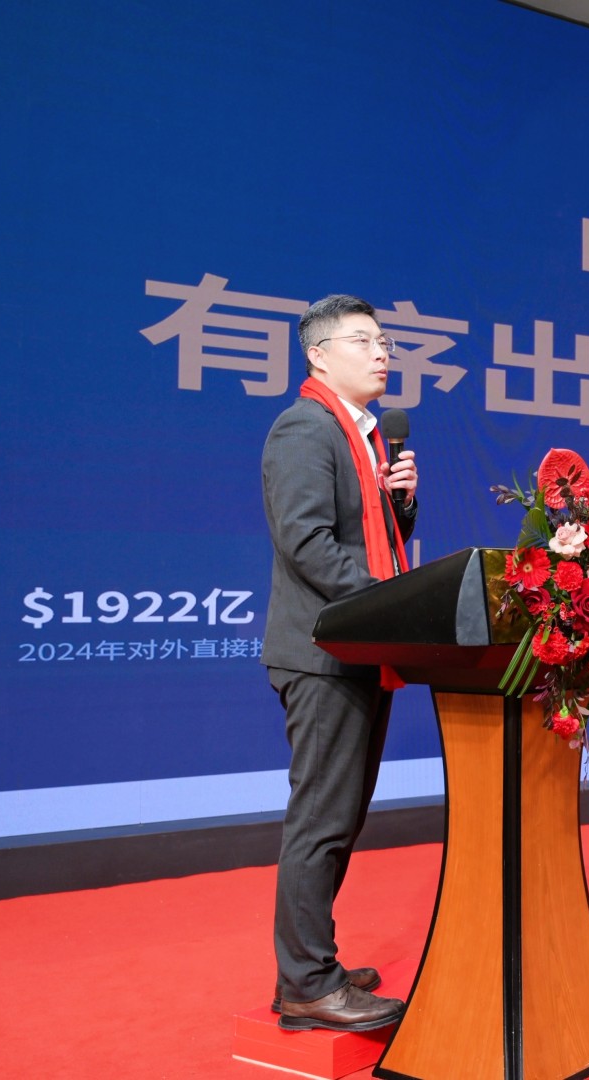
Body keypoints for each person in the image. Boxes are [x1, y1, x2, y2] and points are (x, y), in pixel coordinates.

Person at [260, 294, 419, 1032]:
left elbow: (363, 538)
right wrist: (388, 602)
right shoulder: (305, 428)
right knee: (320, 821)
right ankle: (306, 986)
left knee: (340, 820)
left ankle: (312, 965)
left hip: (356, 649)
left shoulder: (365, 439)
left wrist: (401, 507)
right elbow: (306, 542)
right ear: (318, 356)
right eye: (364, 341)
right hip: (322, 653)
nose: (382, 352)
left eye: (385, 341)